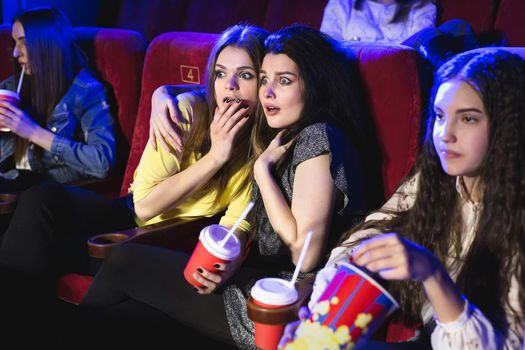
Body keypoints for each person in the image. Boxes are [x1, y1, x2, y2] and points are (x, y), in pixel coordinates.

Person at [71, 24, 379, 349]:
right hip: (253, 282)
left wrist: (262, 173)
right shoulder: (280, 137)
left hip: (276, 302)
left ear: (315, 86)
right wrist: (165, 92)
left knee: (126, 261)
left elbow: (305, 251)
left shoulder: (317, 138)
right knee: (124, 317)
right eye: (264, 80)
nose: (268, 92)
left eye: (284, 81)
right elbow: (221, 93)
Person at [0, 23, 267, 349]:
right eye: (222, 73)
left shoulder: (260, 154)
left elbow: (236, 227)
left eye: (246, 75)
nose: (231, 86)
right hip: (127, 215)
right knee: (41, 197)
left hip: (158, 241)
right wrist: (213, 156)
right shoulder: (186, 111)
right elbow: (140, 204)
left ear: (264, 83)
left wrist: (218, 159)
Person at [279, 49, 525, 349]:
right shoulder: (435, 180)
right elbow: (366, 239)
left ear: (507, 128)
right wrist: (324, 322)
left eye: (469, 119)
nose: (446, 134)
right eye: (439, 116)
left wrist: (433, 275)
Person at [0, 6, 116, 192]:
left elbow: (102, 162)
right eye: (14, 43)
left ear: (48, 45)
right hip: (11, 187)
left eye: (24, 42)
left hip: (50, 194)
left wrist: (33, 132)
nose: (15, 53)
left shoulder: (86, 92)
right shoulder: (10, 88)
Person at [320, 0, 485, 71]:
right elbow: (325, 50)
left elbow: (418, 54)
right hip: (351, 75)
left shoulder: (420, 6)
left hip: (401, 75)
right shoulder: (341, 4)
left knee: (456, 28)